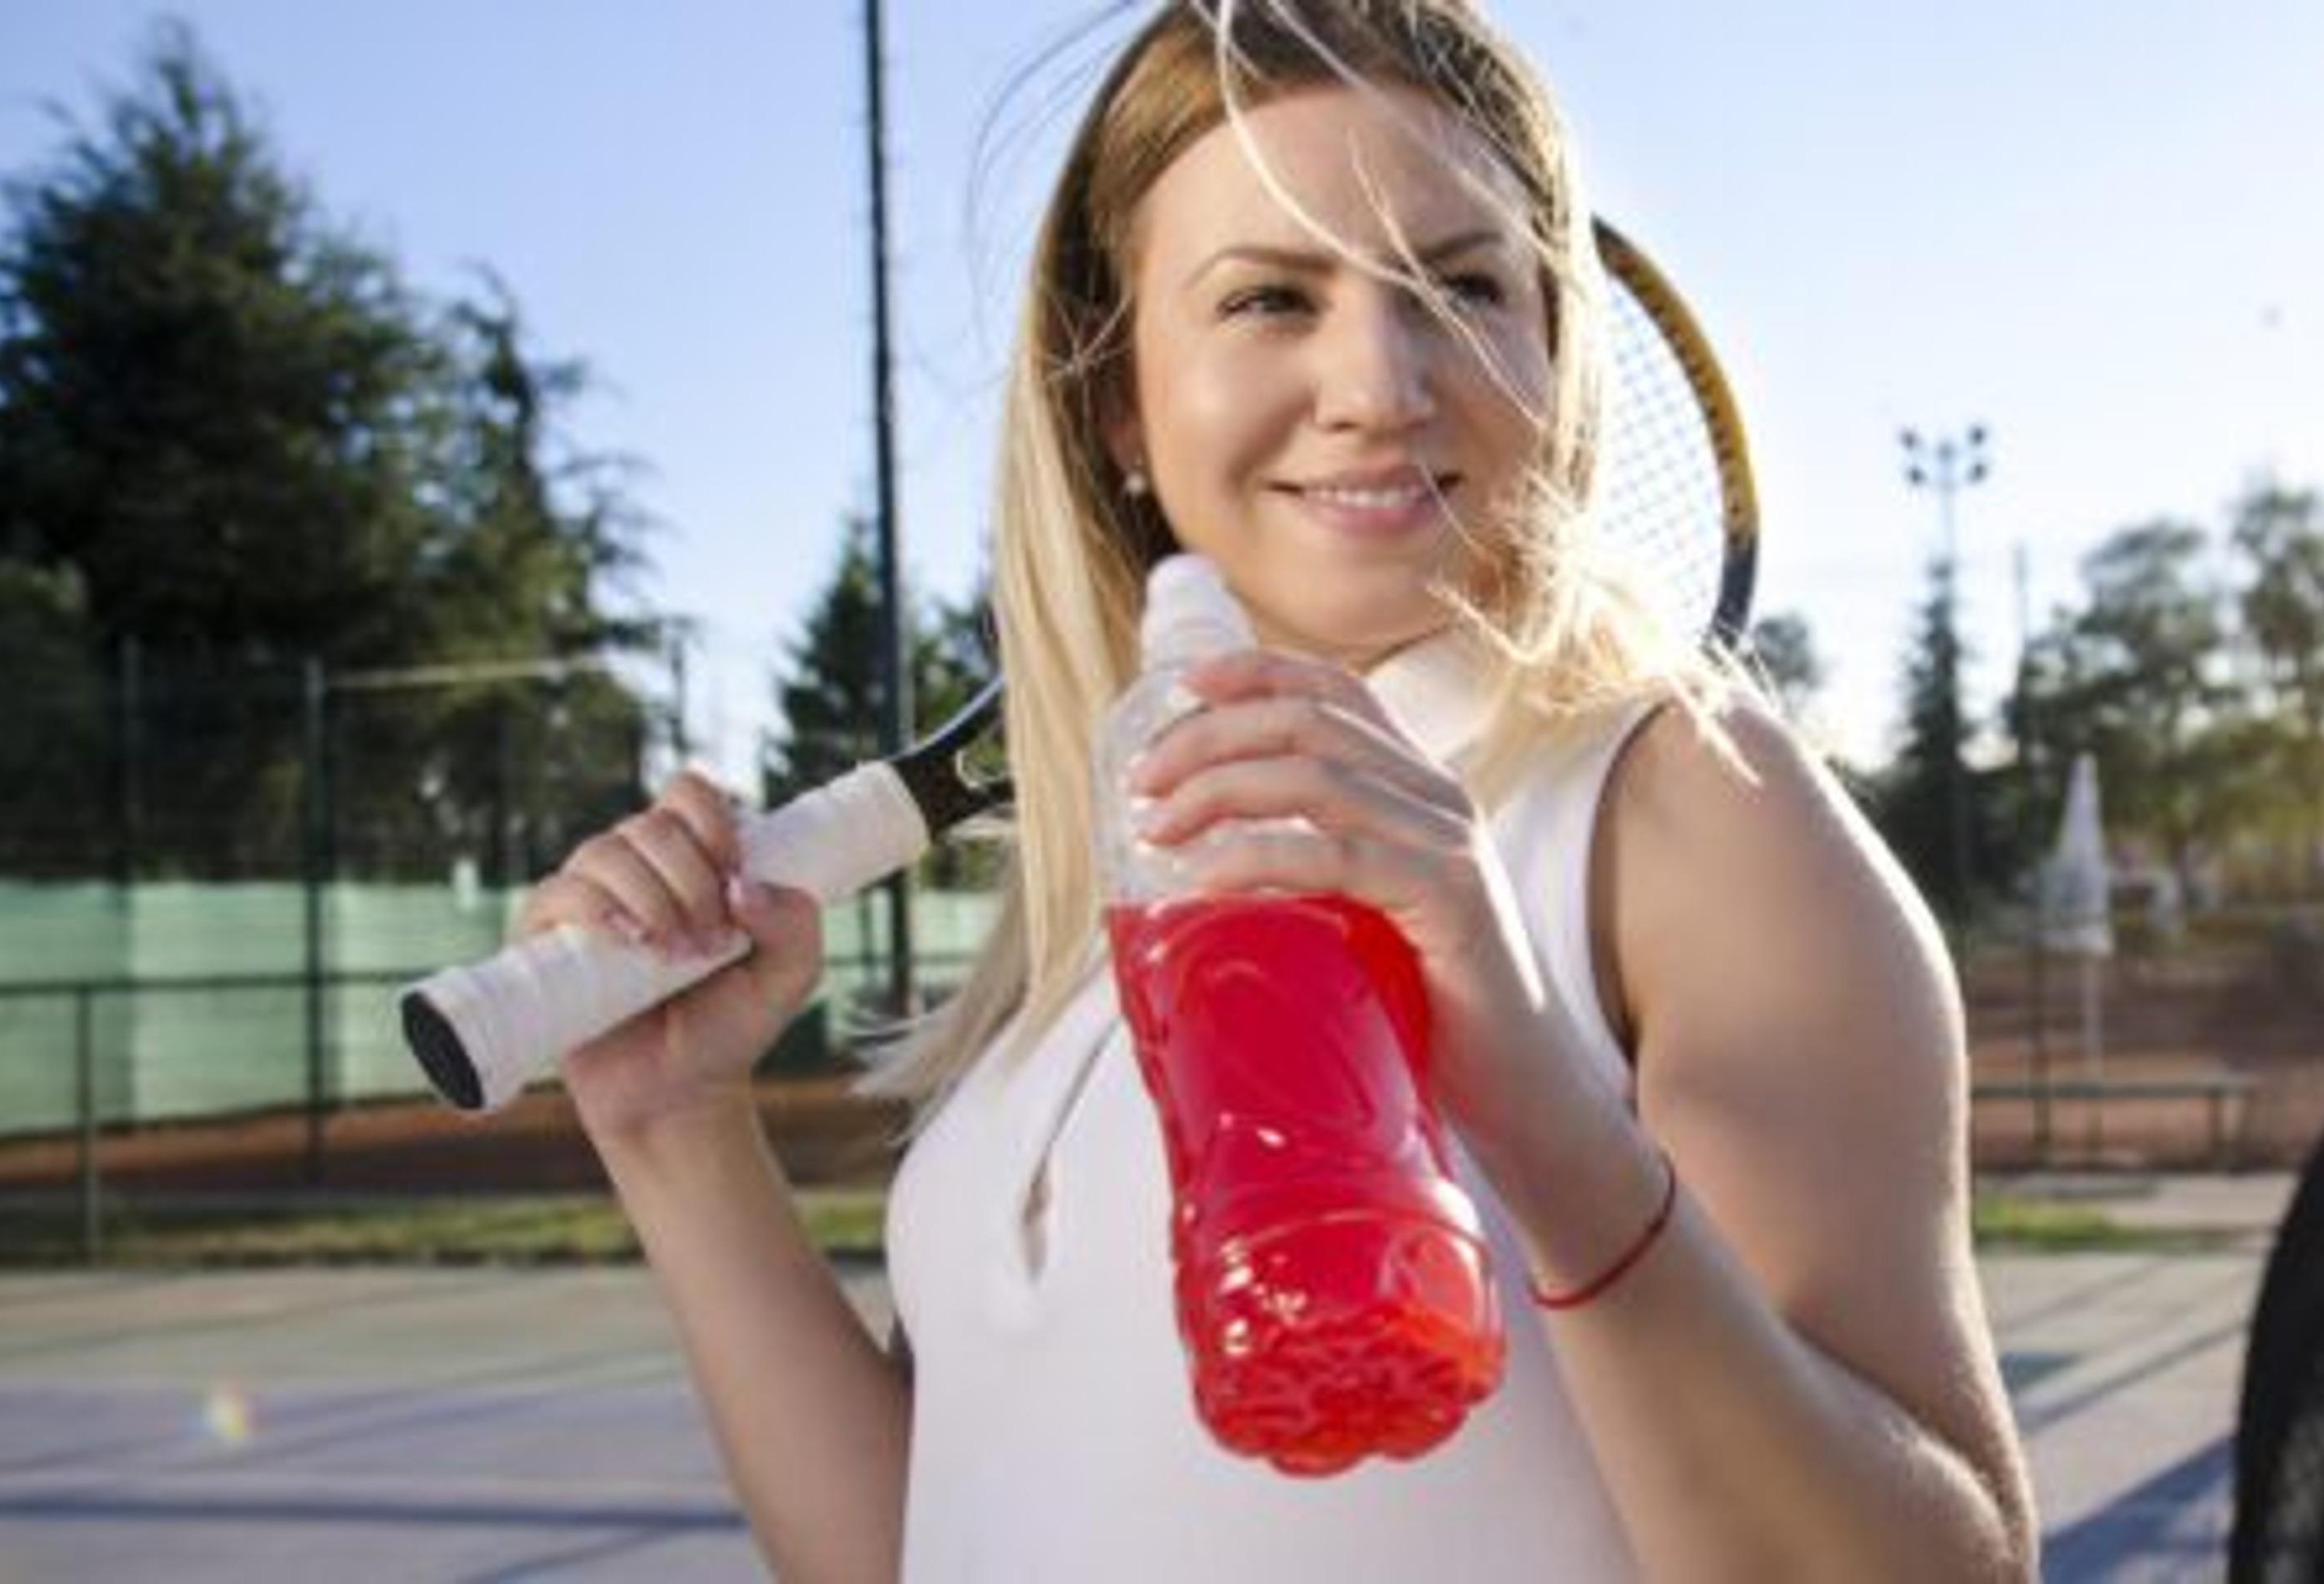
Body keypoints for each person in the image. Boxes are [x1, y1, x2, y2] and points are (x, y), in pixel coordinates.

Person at [519, 2, 2035, 1577]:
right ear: (1116, 403)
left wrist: (1531, 1102)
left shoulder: (1686, 810)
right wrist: (677, 1135)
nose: (1380, 382)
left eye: (1461, 285)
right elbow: (913, 1546)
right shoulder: (1122, 878)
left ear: (1554, 354)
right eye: (1268, 298)